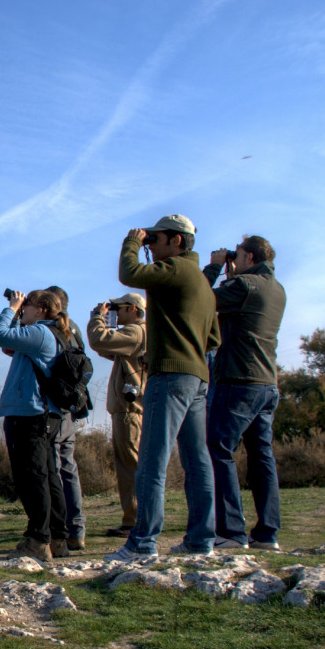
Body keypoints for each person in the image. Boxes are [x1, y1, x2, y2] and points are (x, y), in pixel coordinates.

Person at [105, 214, 220, 561]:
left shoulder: (175, 270)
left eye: (156, 240)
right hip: (197, 376)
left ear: (178, 241)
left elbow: (129, 274)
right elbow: (213, 337)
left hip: (169, 375)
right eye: (147, 240)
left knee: (152, 461)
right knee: (198, 462)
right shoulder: (201, 283)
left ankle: (142, 543)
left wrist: (131, 241)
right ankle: (201, 541)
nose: (150, 246)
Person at [203, 236, 287, 551]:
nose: (232, 259)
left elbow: (201, 300)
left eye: (236, 255)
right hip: (267, 382)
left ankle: (232, 532)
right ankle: (267, 534)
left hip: (239, 380)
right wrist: (232, 272)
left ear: (249, 256)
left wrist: (213, 267)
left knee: (219, 449)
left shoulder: (245, 285)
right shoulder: (276, 288)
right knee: (262, 457)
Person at [0, 289, 69, 563]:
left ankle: (38, 540)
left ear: (42, 310)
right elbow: (8, 345)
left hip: (29, 414)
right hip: (44, 414)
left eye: (28, 305)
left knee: (31, 478)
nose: (24, 309)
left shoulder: (40, 333)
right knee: (47, 475)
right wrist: (18, 315)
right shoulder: (48, 333)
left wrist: (12, 308)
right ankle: (57, 538)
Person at [86, 293, 148, 538]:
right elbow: (107, 348)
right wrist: (108, 323)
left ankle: (135, 520)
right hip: (130, 410)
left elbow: (98, 340)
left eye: (118, 308)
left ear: (132, 309)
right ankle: (136, 518)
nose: (116, 312)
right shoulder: (137, 334)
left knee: (130, 466)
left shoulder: (136, 332)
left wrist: (98, 318)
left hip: (130, 411)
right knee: (130, 465)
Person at [44, 286, 87, 553]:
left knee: (53, 467)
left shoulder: (49, 330)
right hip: (72, 404)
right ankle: (77, 530)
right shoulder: (75, 329)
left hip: (53, 406)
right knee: (68, 466)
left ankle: (56, 528)